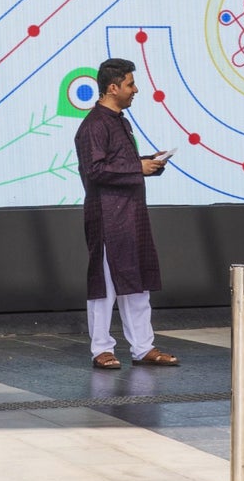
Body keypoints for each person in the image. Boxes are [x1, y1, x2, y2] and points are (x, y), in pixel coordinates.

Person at [75, 57, 179, 370]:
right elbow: (95, 170)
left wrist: (148, 162)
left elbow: (117, 164)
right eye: (130, 84)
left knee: (136, 281)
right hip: (108, 217)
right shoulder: (94, 125)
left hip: (130, 214)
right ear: (112, 87)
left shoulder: (119, 120)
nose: (136, 90)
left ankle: (143, 347)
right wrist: (137, 167)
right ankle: (101, 349)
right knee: (105, 285)